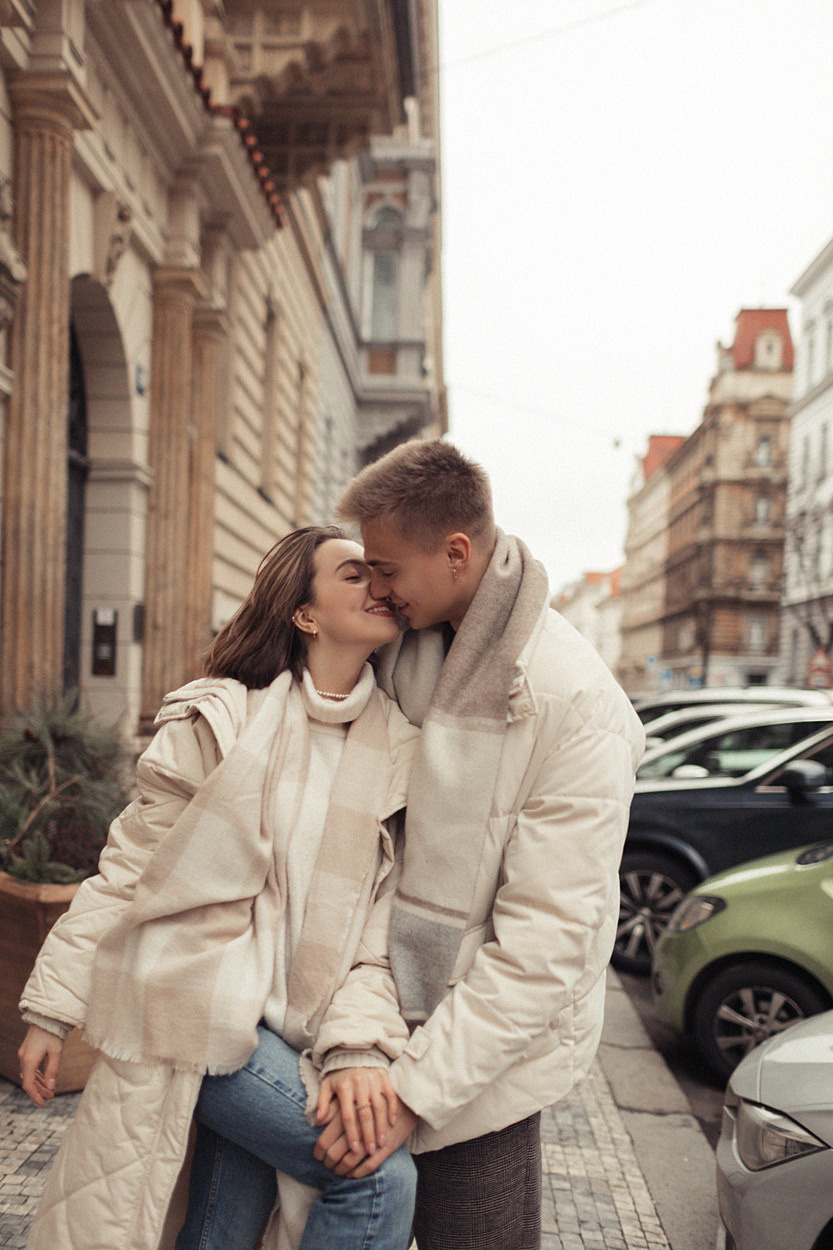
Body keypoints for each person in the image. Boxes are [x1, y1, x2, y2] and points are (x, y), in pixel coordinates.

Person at [17, 526, 420, 1250]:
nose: (378, 589)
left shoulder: (398, 748)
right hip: (189, 1003)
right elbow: (131, 867)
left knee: (223, 1228)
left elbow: (376, 935)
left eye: (379, 576)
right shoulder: (219, 719)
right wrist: (52, 1008)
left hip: (295, 1027)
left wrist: (357, 1048)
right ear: (304, 613)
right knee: (372, 1177)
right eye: (354, 575)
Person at [308, 440, 646, 1250]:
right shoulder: (406, 650)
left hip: (484, 1069)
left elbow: (545, 949)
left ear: (457, 552)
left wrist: (411, 1095)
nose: (377, 587)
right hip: (369, 1018)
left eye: (387, 567)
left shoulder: (575, 702)